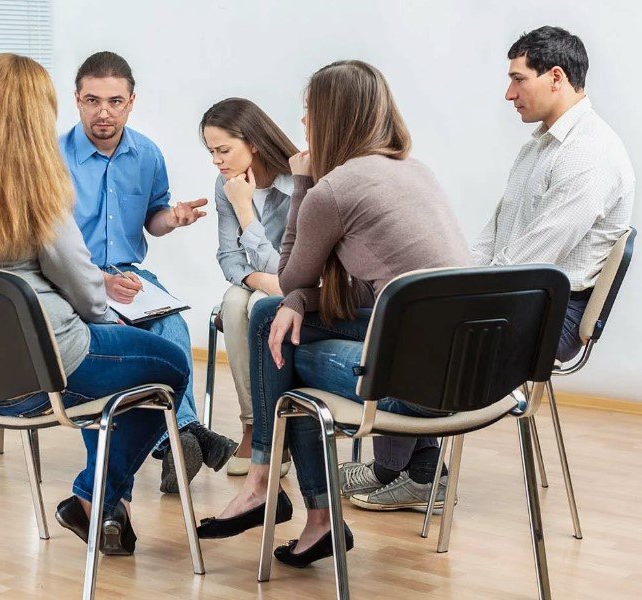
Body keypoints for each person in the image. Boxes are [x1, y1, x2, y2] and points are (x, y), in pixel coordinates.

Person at [0, 53, 191, 556]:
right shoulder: (35, 190)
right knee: (169, 365)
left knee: (126, 367)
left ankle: (105, 505)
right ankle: (94, 497)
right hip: (45, 372)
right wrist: (107, 322)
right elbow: (86, 293)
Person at [196, 60, 471, 567]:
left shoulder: (332, 190)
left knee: (283, 348)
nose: (302, 122)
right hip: (468, 371)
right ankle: (287, 501)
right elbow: (367, 288)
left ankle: (281, 496)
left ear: (333, 117)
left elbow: (289, 275)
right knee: (276, 317)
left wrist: (304, 184)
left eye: (310, 111)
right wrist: (300, 301)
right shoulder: (415, 170)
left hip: (416, 386)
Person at [60, 51, 237, 494]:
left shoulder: (147, 155)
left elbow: (152, 221)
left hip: (128, 274)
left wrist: (171, 219)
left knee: (172, 327)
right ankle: (181, 435)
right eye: (93, 100)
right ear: (77, 100)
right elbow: (46, 246)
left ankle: (178, 438)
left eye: (115, 101)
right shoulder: (52, 158)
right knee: (118, 333)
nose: (104, 111)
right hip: (70, 275)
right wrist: (97, 281)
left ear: (131, 102)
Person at [473, 25, 635, 361]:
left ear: (556, 78)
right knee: (377, 314)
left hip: (553, 314)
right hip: (522, 296)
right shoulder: (537, 148)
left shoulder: (590, 152)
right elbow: (494, 236)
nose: (509, 94)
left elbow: (532, 260)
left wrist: (460, 294)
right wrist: (451, 278)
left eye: (519, 80)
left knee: (402, 326)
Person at [201, 98, 297, 476]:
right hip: (258, 279)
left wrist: (244, 210)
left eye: (223, 150)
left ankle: (278, 428)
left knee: (256, 304)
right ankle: (254, 425)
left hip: (301, 288)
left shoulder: (299, 182)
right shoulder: (225, 184)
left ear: (253, 143)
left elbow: (291, 271)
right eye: (211, 152)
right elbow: (228, 257)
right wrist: (259, 279)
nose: (216, 161)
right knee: (234, 301)